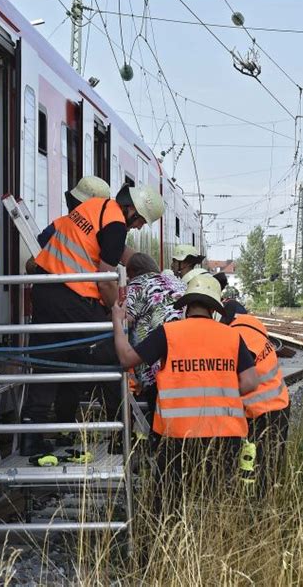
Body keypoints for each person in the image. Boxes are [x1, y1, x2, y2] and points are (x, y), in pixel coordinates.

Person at [20, 183, 166, 456]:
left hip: (45, 292)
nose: (137, 227)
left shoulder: (92, 208)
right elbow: (105, 277)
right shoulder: (114, 223)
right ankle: (121, 435)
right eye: (141, 221)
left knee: (48, 363)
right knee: (112, 359)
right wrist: (116, 312)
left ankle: (31, 436)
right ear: (132, 209)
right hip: (73, 298)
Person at [112, 274, 259, 508]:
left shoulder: (168, 332)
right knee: (217, 502)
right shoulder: (232, 335)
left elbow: (126, 359)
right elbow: (251, 381)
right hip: (225, 435)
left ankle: (171, 542)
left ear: (187, 305)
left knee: (169, 501)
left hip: (176, 436)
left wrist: (117, 323)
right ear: (214, 309)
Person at [229, 312, 290, 497]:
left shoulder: (235, 335)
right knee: (268, 467)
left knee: (253, 469)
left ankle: (253, 507)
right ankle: (262, 503)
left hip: (259, 411)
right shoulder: (250, 322)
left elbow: (240, 378)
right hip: (279, 404)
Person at [125, 253, 185, 425]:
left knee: (158, 407)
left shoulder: (137, 285)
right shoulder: (175, 282)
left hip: (156, 359)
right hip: (185, 354)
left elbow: (125, 319)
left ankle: (160, 441)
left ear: (133, 272)